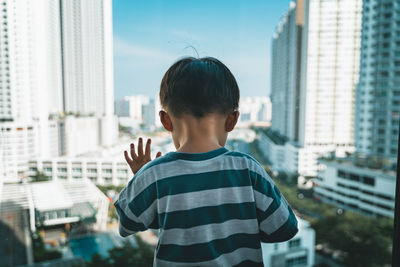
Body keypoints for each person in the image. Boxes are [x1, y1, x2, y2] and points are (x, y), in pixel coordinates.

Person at [114, 57, 298, 266]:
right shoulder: (248, 170)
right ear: (232, 120)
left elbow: (128, 224)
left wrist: (141, 176)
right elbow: (285, 228)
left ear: (166, 120)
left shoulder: (154, 174)